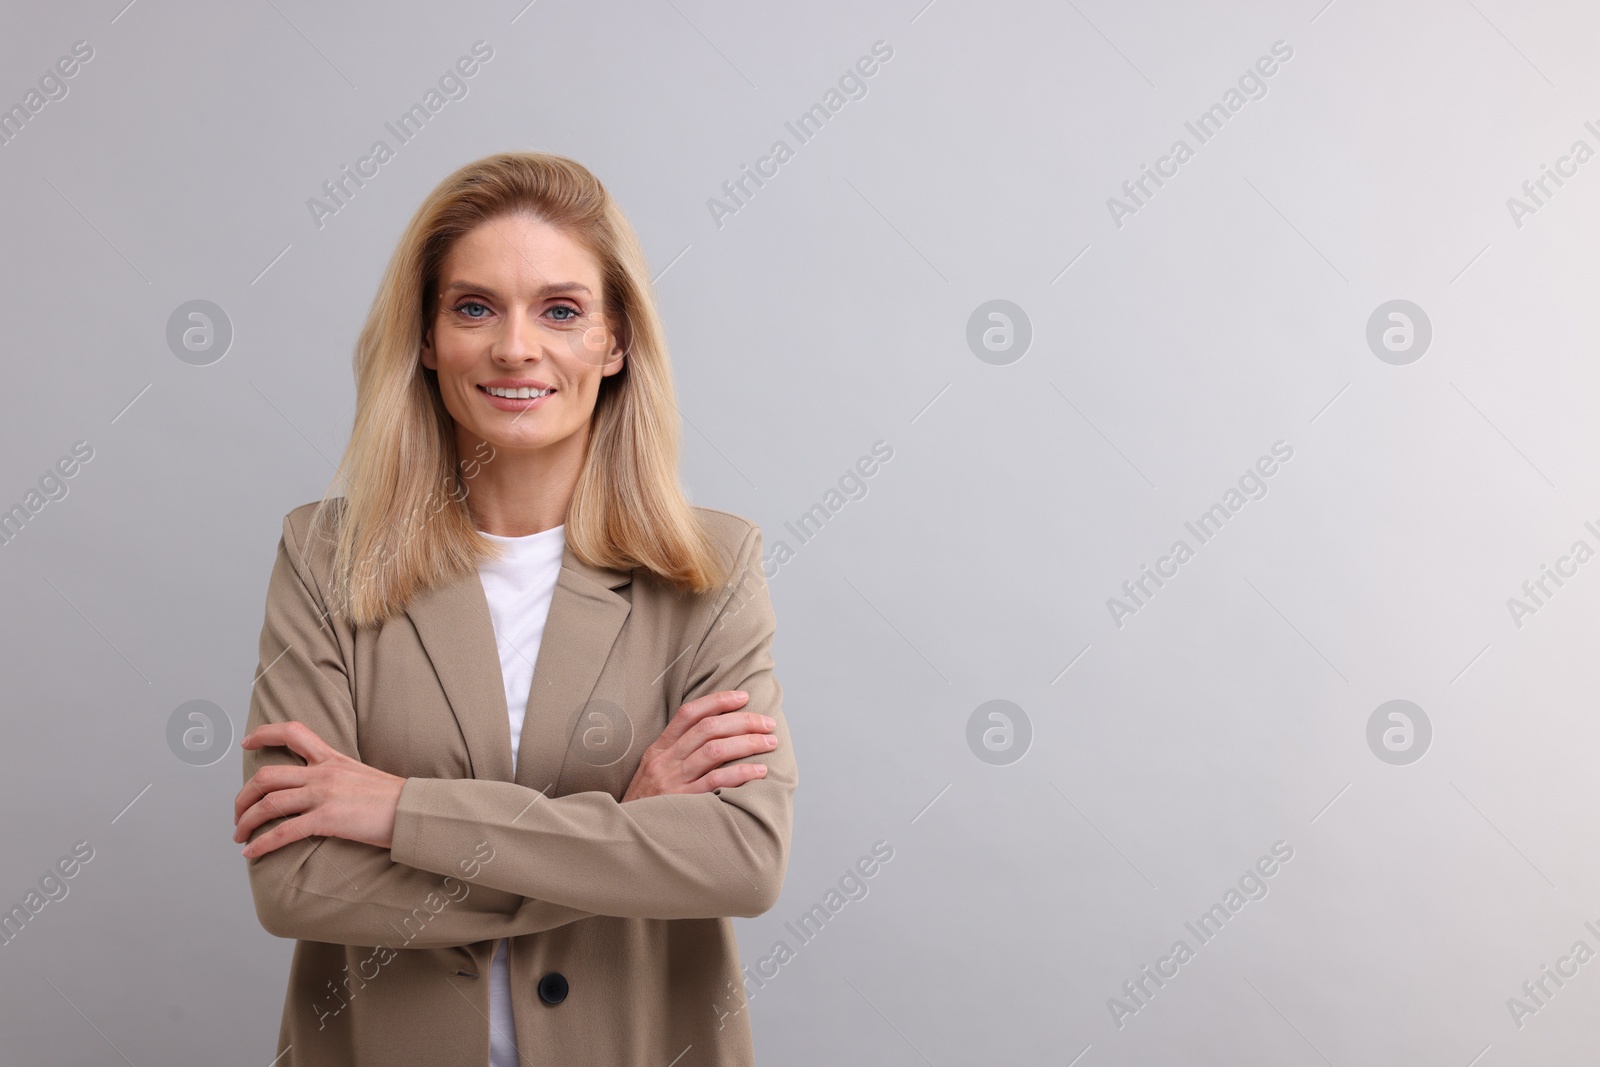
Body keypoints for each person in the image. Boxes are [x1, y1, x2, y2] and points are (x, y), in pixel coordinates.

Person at [231, 151, 795, 1066]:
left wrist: (398, 809)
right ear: (424, 336)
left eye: (562, 310)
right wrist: (626, 828)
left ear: (615, 344)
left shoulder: (711, 569)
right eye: (474, 306)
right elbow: (294, 881)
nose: (516, 348)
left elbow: (741, 858)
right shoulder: (326, 556)